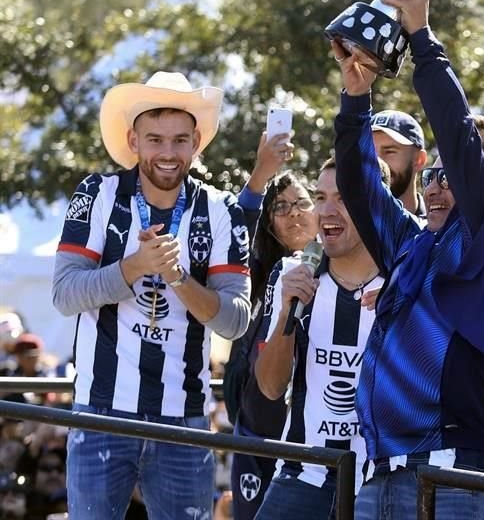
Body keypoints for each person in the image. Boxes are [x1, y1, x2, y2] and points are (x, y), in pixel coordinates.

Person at [333, 0, 484, 520]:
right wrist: (357, 98)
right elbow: (358, 185)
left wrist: (422, 40)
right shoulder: (411, 242)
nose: (437, 185)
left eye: (452, 175)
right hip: (385, 469)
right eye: (431, 176)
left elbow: (457, 134)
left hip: (456, 470)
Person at [52, 71, 252, 519]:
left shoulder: (222, 210)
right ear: (133, 140)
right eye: (155, 139)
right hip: (100, 413)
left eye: (180, 140)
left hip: (185, 420)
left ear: (196, 143)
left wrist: (179, 277)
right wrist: (134, 267)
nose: (167, 152)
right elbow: (65, 294)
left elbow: (235, 320)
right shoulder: (97, 194)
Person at [254, 157, 385, 519]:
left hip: (379, 480)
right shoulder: (292, 274)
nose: (327, 211)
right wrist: (285, 313)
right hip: (302, 471)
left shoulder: (403, 278)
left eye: (343, 198)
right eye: (321, 197)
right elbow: (269, 386)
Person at [227, 171, 319, 520]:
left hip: (306, 442)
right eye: (281, 207)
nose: (293, 213)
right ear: (269, 224)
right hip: (254, 433)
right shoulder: (255, 274)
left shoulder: (344, 270)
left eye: (301, 203)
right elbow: (238, 223)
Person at [370, 110, 428, 217]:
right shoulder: (347, 226)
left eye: (389, 151)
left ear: (419, 160)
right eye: (370, 152)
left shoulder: (440, 228)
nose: (377, 162)